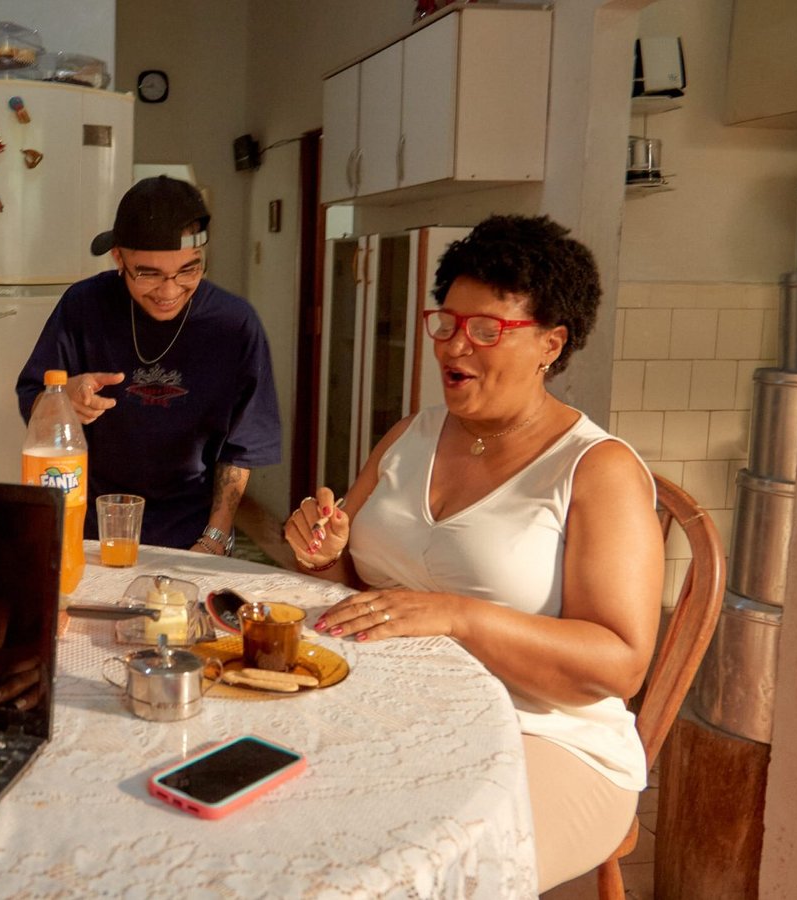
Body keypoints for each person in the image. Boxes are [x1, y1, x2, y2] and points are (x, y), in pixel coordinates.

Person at [282, 215, 664, 892]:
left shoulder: (595, 470)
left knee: (410, 866)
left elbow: (620, 663)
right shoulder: (412, 434)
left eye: (486, 329)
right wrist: (325, 553)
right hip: (394, 710)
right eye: (447, 323)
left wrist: (459, 616)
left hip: (544, 739)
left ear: (551, 343)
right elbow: (356, 585)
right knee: (273, 820)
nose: (455, 346)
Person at [15, 175, 282, 555]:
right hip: (89, 527)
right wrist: (62, 398)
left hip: (192, 533)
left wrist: (215, 538)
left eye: (188, 270)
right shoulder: (83, 307)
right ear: (119, 258)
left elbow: (241, 448)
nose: (169, 291)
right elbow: (32, 398)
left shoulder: (234, 325)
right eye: (149, 273)